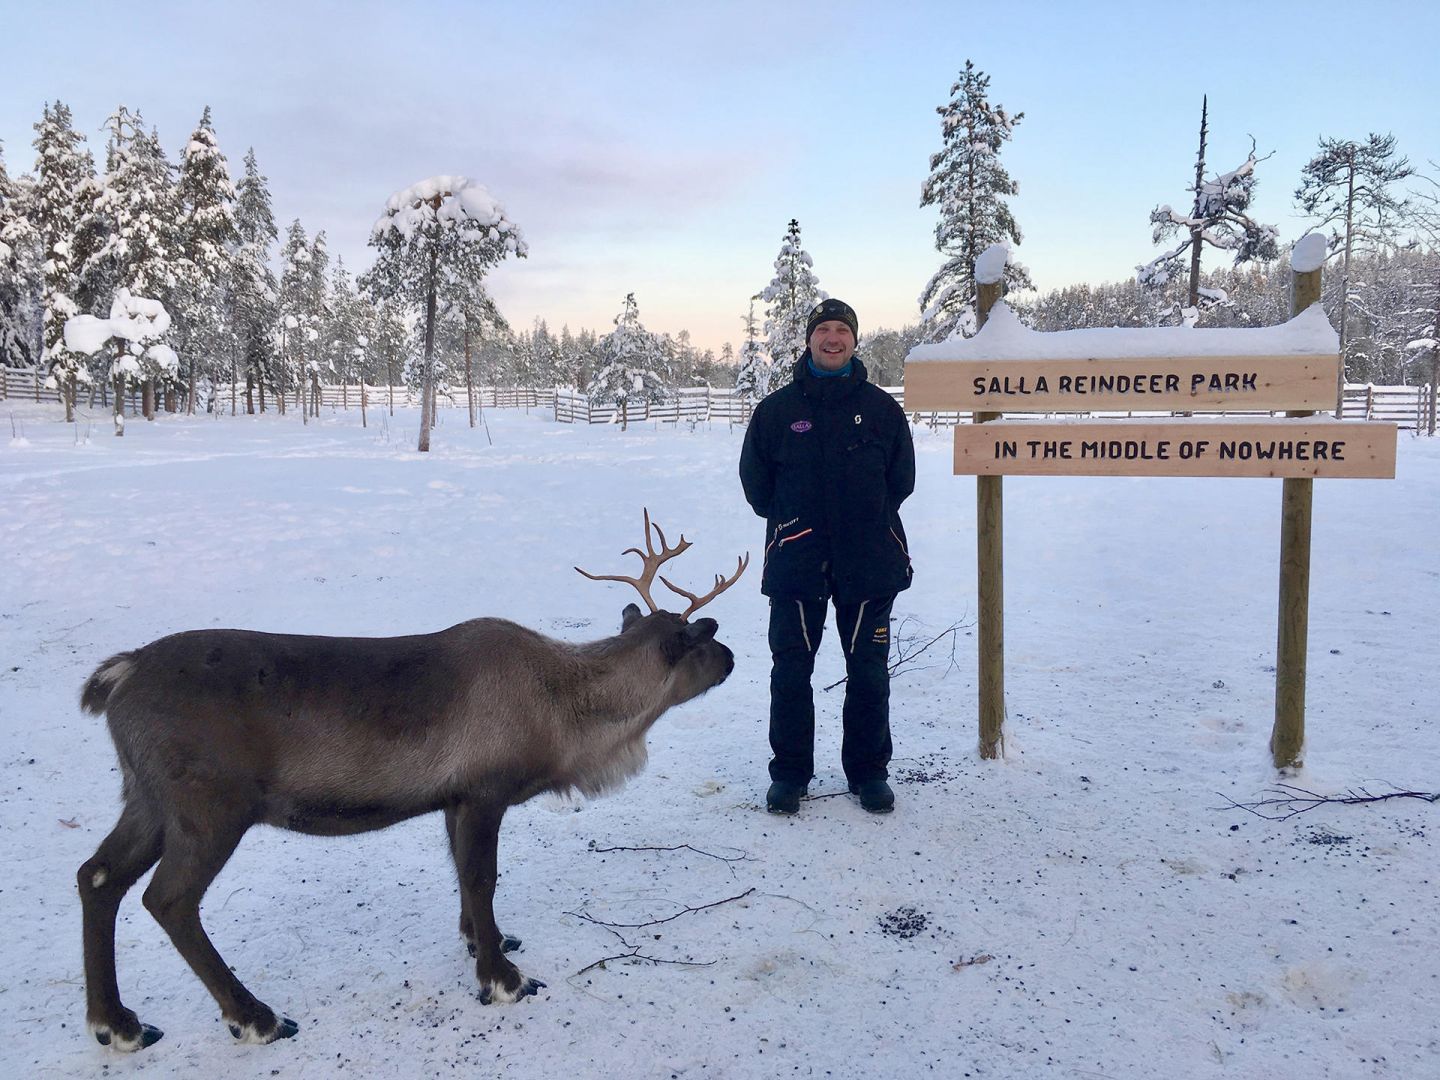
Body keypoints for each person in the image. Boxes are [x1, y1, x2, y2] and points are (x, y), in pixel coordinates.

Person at [738, 298, 915, 815]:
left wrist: (862, 521)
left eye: (842, 330)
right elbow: (757, 487)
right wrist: (795, 523)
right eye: (824, 330)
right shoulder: (777, 411)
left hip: (869, 562)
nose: (832, 338)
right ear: (810, 340)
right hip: (797, 561)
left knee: (868, 671)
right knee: (791, 670)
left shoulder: (883, 410)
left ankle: (868, 773)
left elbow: (900, 482)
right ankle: (790, 774)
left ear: (855, 342)